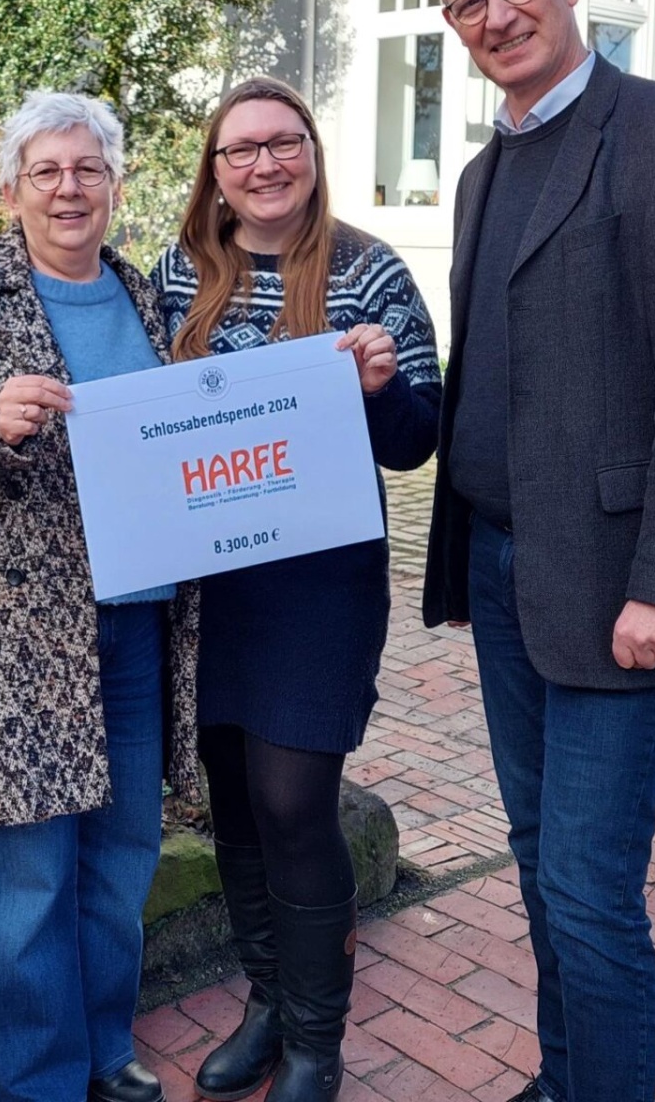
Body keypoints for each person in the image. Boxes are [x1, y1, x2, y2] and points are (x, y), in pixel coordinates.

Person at [422, 0, 655, 1102]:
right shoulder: (482, 171)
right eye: (470, 0)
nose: (498, 14)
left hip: (626, 589)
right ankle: (566, 1079)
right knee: (534, 857)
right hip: (510, 573)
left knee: (586, 880)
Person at [0, 91, 199, 1102]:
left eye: (89, 170)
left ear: (116, 184)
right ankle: (31, 1086)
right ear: (13, 185)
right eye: (47, 171)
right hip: (10, 640)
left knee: (118, 866)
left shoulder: (146, 298)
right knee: (21, 884)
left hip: (137, 622)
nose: (69, 189)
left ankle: (102, 1054)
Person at [152, 78, 441, 1102]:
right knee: (231, 803)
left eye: (284, 143)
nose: (264, 164)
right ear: (216, 173)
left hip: (318, 590)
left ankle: (320, 1041)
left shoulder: (368, 272)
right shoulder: (180, 272)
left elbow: (417, 442)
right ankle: (268, 1004)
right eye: (241, 151)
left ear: (312, 153)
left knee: (293, 803)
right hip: (211, 588)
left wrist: (381, 389)